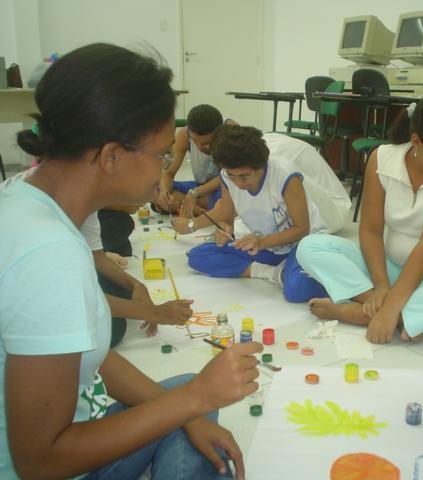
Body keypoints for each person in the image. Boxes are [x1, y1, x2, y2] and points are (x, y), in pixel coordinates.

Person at [0, 43, 262, 480]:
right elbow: (40, 463)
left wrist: (189, 409)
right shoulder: (50, 255)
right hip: (55, 465)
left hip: (69, 425)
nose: (164, 168)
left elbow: (89, 356)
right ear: (111, 156)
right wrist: (195, 399)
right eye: (161, 154)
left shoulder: (24, 195)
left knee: (189, 406)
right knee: (193, 400)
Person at [296, 93, 423, 344]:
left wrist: (390, 307)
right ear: (417, 141)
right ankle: (397, 311)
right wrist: (382, 286)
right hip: (387, 268)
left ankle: (360, 312)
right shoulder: (382, 157)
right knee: (310, 246)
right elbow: (370, 231)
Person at [0, 169, 193, 347]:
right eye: (160, 155)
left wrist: (135, 285)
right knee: (108, 330)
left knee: (120, 298)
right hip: (22, 311)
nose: (160, 172)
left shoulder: (82, 192)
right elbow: (65, 297)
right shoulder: (35, 218)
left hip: (46, 293)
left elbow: (96, 255)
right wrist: (152, 312)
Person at [172, 125, 329, 303]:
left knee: (296, 290)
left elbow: (302, 229)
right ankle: (273, 273)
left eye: (244, 176)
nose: (239, 183)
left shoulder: (285, 175)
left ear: (261, 165)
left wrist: (262, 242)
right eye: (232, 176)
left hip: (303, 244)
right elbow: (227, 220)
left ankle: (295, 270)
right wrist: (223, 231)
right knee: (198, 256)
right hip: (267, 245)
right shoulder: (227, 177)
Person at [155, 104, 237, 216]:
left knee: (227, 201)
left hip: (225, 188)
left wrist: (195, 193)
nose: (199, 147)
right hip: (200, 185)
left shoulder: (232, 132)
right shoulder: (184, 134)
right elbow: (168, 173)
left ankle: (183, 207)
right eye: (194, 141)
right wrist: (164, 192)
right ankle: (205, 214)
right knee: (154, 188)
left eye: (206, 143)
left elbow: (229, 175)